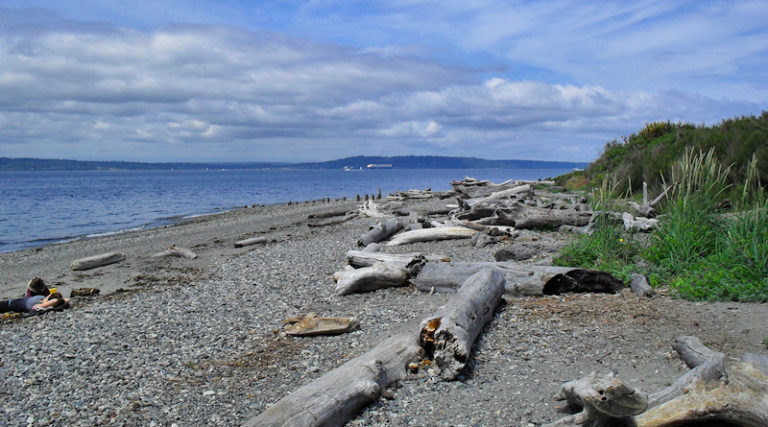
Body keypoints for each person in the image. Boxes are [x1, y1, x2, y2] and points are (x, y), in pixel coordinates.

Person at [1, 292, 69, 314]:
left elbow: (35, 307)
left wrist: (49, 303)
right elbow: (66, 300)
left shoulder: (41, 304)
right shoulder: (43, 298)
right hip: (12, 303)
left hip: (10, 305)